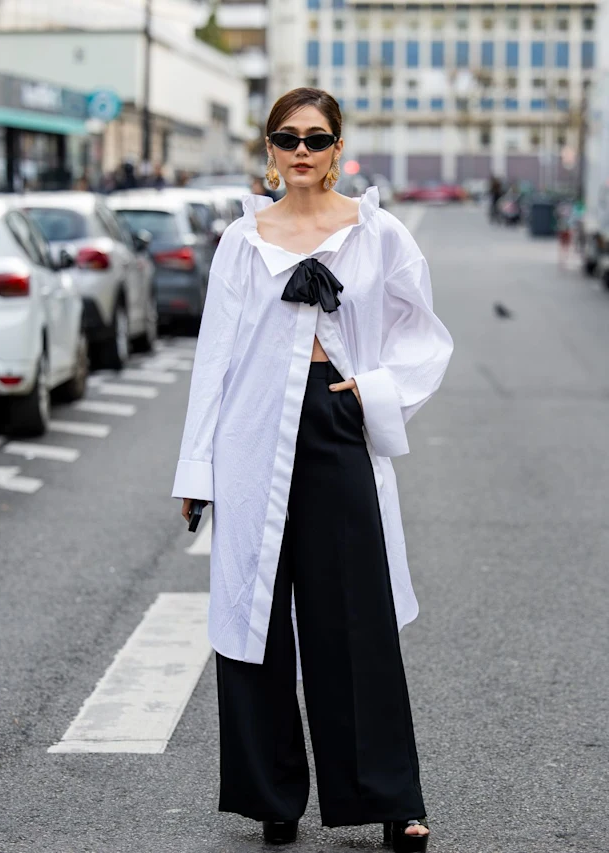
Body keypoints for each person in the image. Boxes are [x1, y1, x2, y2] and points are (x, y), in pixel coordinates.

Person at [172, 87, 453, 851]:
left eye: (317, 137)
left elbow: (423, 333)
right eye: (287, 137)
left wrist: (375, 389)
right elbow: (216, 359)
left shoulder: (377, 233)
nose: (302, 149)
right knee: (254, 615)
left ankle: (394, 797)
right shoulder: (241, 241)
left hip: (336, 425)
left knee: (355, 614)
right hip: (251, 436)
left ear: (336, 148)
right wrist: (198, 468)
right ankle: (273, 795)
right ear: (269, 149)